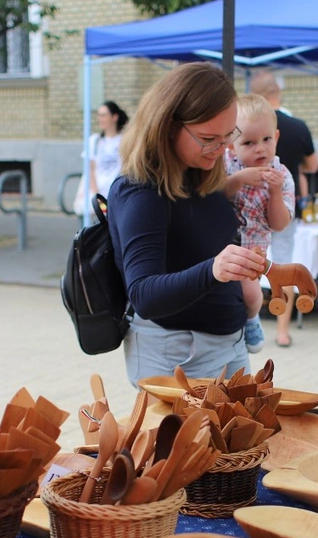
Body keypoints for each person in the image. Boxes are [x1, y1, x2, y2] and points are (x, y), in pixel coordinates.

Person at [107, 63, 266, 384]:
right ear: (167, 127)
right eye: (209, 138)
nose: (222, 149)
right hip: (179, 352)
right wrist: (214, 270)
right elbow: (144, 295)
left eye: (228, 135)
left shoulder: (202, 172)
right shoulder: (141, 190)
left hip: (229, 343)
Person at [251, 70, 318, 348]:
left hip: (252, 208)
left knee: (250, 267)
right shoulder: (298, 126)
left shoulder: (248, 125)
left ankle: (251, 327)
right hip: (285, 210)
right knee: (284, 266)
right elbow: (314, 166)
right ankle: (282, 331)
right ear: (278, 92)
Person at [224, 94, 294, 354]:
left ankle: (251, 321)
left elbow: (279, 224)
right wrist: (239, 179)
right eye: (249, 143)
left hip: (252, 250)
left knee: (252, 296)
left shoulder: (282, 175)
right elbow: (214, 194)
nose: (260, 149)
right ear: (232, 146)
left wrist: (275, 193)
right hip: (221, 243)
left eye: (266, 140)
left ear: (276, 137)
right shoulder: (226, 165)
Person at [81, 100, 128, 215]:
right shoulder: (95, 140)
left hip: (118, 194)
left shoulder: (124, 140)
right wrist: (95, 193)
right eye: (99, 115)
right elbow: (90, 169)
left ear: (114, 117)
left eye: (103, 115)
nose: (100, 119)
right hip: (99, 195)